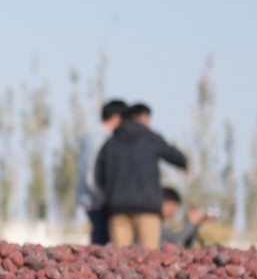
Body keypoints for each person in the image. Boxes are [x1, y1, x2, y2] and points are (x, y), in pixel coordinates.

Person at [94, 103, 188, 247]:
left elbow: (99, 175)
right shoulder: (151, 138)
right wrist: (184, 164)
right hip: (147, 207)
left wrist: (110, 195)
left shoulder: (110, 143)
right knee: (150, 258)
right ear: (144, 118)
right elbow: (174, 155)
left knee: (120, 261)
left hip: (118, 208)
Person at [75, 99, 128, 246]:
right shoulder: (101, 138)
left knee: (101, 238)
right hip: (96, 199)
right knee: (101, 241)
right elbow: (91, 171)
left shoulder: (92, 135)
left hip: (91, 196)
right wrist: (103, 197)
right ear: (117, 118)